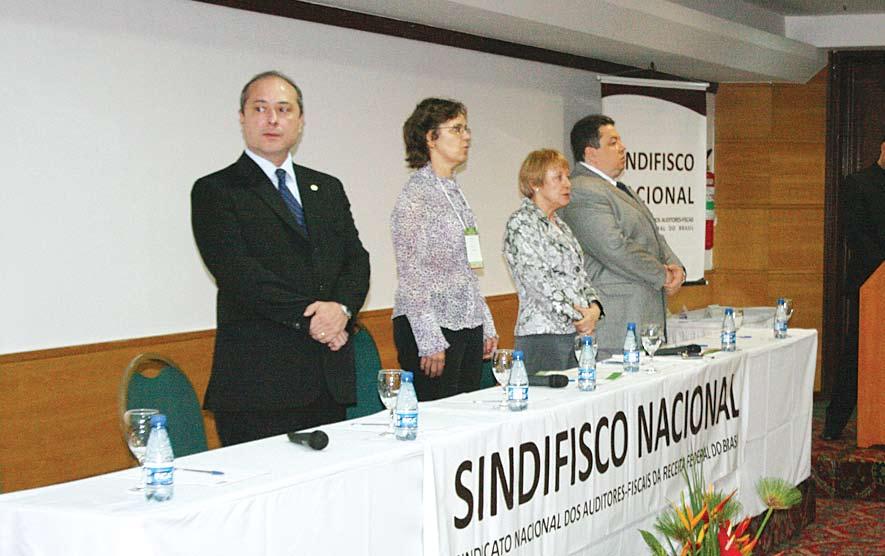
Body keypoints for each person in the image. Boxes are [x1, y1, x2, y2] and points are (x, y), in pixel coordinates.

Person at [191, 71, 370, 446]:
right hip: (258, 388)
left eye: (284, 109)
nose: (272, 119)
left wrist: (342, 309)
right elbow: (240, 274)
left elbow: (356, 260)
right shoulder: (216, 191)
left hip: (326, 379)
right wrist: (316, 320)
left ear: (300, 122)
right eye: (260, 108)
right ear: (242, 117)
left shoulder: (327, 187)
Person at [391, 98, 497, 401]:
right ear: (430, 138)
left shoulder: (453, 192)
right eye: (456, 129)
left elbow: (468, 269)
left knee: (468, 418)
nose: (467, 136)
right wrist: (428, 339)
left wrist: (485, 323)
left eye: (466, 128)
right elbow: (410, 273)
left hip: (467, 320)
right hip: (431, 326)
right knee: (439, 424)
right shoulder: (415, 196)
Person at [560, 114, 684, 355]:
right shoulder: (583, 189)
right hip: (618, 321)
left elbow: (655, 237)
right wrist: (662, 274)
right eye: (613, 142)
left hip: (642, 316)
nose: (622, 147)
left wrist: (675, 267)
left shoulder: (620, 189)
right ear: (591, 152)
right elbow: (614, 247)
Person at [503, 149, 603, 372]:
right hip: (543, 337)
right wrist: (581, 317)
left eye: (567, 177)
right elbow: (540, 284)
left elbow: (581, 277)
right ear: (535, 183)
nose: (567, 184)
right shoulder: (521, 224)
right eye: (558, 177)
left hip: (576, 334)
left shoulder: (562, 226)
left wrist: (595, 309)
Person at [823, 136, 885, 440]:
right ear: (883, 147)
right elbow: (856, 234)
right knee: (857, 356)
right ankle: (835, 424)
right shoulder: (858, 183)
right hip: (872, 285)